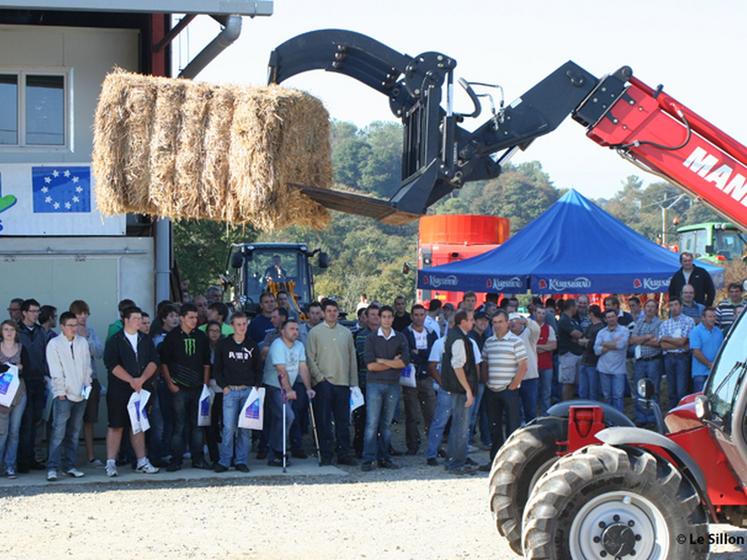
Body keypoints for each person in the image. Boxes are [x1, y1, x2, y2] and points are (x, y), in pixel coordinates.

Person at [102, 306, 160, 477]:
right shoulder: (115, 340)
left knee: (138, 424)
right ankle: (111, 462)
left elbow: (153, 361)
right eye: (135, 318)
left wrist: (141, 379)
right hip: (119, 390)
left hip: (141, 389)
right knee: (116, 425)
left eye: (140, 318)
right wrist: (131, 380)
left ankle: (142, 461)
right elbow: (112, 364)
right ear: (125, 320)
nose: (139, 322)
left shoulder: (146, 340)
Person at [425, 313, 482, 468]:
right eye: (470, 320)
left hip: (454, 387)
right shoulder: (455, 340)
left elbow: (473, 366)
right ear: (461, 322)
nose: (473, 322)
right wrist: (468, 388)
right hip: (455, 388)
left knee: (459, 424)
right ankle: (445, 456)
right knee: (454, 424)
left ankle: (456, 456)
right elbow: (456, 366)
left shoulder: (464, 340)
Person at [160, 303, 212, 471]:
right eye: (190, 317)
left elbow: (206, 363)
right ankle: (176, 459)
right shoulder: (172, 337)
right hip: (179, 387)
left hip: (197, 387)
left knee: (198, 425)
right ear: (182, 318)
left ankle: (198, 458)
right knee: (179, 425)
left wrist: (204, 385)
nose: (194, 320)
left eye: (196, 317)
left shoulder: (201, 336)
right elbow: (164, 363)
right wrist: (169, 383)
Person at [305, 300, 358, 466]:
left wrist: (353, 382)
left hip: (343, 383)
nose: (332, 313)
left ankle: (344, 453)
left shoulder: (346, 333)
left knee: (343, 421)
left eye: (335, 310)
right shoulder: (315, 333)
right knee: (324, 421)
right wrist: (319, 378)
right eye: (329, 311)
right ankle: (326, 454)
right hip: (323, 383)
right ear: (323, 313)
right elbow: (309, 358)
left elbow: (352, 359)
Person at [360, 306, 409, 471]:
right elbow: (371, 366)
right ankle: (368, 459)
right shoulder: (371, 338)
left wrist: (382, 360)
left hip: (393, 385)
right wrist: (391, 362)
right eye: (384, 316)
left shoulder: (400, 338)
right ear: (379, 318)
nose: (387, 319)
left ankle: (384, 458)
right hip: (374, 384)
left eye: (390, 316)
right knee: (372, 423)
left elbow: (403, 363)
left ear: (393, 318)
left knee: (386, 424)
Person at [45, 312, 92, 481]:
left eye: (75, 325)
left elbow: (87, 366)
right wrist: (60, 391)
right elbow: (55, 370)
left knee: (74, 432)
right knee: (58, 431)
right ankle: (53, 467)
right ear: (62, 327)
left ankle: (69, 465)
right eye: (70, 325)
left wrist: (87, 386)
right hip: (64, 395)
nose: (74, 328)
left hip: (81, 394)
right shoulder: (54, 344)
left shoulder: (82, 342)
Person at [213, 312, 261, 472]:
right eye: (238, 324)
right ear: (232, 325)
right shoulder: (224, 344)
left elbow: (258, 368)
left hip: (248, 391)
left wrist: (256, 387)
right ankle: (225, 461)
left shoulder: (252, 345)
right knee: (228, 428)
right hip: (230, 391)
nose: (242, 327)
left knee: (245, 430)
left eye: (244, 324)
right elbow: (217, 369)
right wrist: (224, 386)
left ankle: (241, 461)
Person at [264, 319, 315, 467]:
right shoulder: (277, 345)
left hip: (288, 387)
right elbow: (281, 370)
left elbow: (303, 368)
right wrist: (289, 390)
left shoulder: (299, 345)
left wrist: (308, 388)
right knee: (287, 416)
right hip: (275, 386)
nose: (295, 332)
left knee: (281, 419)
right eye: (292, 329)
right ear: (283, 332)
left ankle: (274, 453)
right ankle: (279, 450)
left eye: (297, 329)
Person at [480, 310, 528, 470]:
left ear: (507, 323)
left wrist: (514, 384)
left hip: (509, 390)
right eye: (494, 322)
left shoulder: (516, 341)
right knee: (494, 427)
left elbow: (523, 365)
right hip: (492, 389)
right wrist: (486, 380)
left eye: (500, 322)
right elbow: (484, 362)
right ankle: (495, 460)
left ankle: (512, 462)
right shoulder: (489, 342)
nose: (497, 325)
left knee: (512, 426)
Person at [69, 300, 105, 467]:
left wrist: (86, 339)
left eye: (85, 313)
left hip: (91, 382)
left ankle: (91, 456)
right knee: (72, 421)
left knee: (89, 420)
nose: (83, 317)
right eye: (79, 313)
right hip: (72, 383)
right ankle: (70, 458)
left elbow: (99, 352)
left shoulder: (91, 332)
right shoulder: (66, 333)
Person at [401, 305, 438, 456]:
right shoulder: (405, 333)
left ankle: (433, 446)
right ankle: (412, 446)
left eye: (421, 314)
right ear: (411, 316)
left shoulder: (431, 332)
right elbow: (407, 354)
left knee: (431, 413)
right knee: (412, 414)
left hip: (427, 377)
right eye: (416, 314)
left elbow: (434, 354)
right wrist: (421, 354)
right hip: (411, 377)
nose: (418, 317)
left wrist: (419, 353)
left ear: (425, 316)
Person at [16, 298, 48, 473]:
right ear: (24, 313)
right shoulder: (16, 330)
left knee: (37, 420)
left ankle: (33, 457)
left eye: (38, 311)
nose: (36, 314)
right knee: (24, 422)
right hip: (22, 381)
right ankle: (22, 461)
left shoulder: (40, 332)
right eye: (33, 311)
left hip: (38, 380)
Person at [0, 320, 29, 479]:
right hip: (1, 396)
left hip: (19, 394)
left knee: (14, 431)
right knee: (1, 432)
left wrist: (20, 369)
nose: (9, 332)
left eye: (11, 329)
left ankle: (10, 465)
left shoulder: (21, 349)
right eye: (5, 329)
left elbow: (29, 368)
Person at [630, 300, 663, 426]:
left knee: (653, 389)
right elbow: (632, 339)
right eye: (647, 306)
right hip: (640, 362)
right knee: (640, 389)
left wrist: (641, 340)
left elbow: (658, 343)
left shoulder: (660, 324)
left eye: (652, 307)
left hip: (653, 361)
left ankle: (653, 417)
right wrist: (646, 337)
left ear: (656, 309)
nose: (649, 309)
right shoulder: (639, 322)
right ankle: (641, 417)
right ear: (644, 308)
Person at [659, 298, 696, 407]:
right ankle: (672, 414)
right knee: (671, 391)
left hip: (682, 358)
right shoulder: (665, 324)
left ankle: (682, 414)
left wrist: (666, 338)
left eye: (676, 304)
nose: (673, 308)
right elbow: (662, 345)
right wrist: (678, 342)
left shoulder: (689, 321)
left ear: (681, 306)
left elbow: (683, 341)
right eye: (671, 305)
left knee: (681, 390)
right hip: (668, 358)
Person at [353, 304, 378, 457]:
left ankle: (380, 447)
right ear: (366, 317)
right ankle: (360, 448)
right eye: (372, 314)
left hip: (382, 381)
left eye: (378, 314)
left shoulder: (386, 334)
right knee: (363, 418)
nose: (376, 317)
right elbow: (366, 360)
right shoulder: (362, 335)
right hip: (365, 382)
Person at [594, 309, 630, 413]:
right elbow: (596, 350)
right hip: (603, 369)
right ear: (605, 319)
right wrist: (612, 344)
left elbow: (621, 345)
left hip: (618, 370)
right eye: (608, 317)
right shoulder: (601, 332)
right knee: (606, 396)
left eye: (613, 316)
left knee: (618, 397)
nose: (611, 319)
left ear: (617, 317)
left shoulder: (624, 330)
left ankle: (619, 422)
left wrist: (604, 343)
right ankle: (608, 421)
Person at [508, 312, 540, 423]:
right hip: (513, 378)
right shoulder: (506, 336)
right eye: (510, 322)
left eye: (515, 322)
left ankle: (532, 430)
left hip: (529, 377)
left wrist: (527, 321)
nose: (513, 324)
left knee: (530, 409)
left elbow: (536, 329)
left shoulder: (529, 334)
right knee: (514, 410)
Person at [467, 310, 491, 450]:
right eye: (481, 320)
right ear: (475, 321)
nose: (483, 323)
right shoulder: (471, 337)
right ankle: (467, 442)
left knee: (482, 412)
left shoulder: (485, 337)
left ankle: (484, 439)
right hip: (474, 380)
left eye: (486, 321)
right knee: (472, 412)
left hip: (483, 379)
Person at [557, 299, 586, 402]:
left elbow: (579, 334)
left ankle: (570, 404)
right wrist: (580, 337)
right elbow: (577, 334)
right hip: (568, 355)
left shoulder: (573, 319)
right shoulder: (564, 319)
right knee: (568, 382)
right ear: (571, 307)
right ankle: (565, 405)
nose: (577, 308)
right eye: (576, 306)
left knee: (573, 383)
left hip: (576, 353)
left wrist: (579, 338)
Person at [689, 307, 724, 392]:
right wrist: (709, 364)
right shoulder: (695, 331)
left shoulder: (718, 332)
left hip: (715, 371)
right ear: (703, 318)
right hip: (700, 372)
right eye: (710, 317)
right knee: (700, 399)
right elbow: (696, 352)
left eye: (714, 316)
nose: (713, 319)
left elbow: (721, 350)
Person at [204, 320, 224, 464]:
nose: (214, 333)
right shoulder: (202, 347)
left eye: (217, 330)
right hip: (207, 388)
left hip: (223, 388)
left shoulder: (224, 347)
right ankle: (214, 457)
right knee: (209, 424)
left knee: (225, 424)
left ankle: (226, 456)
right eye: (212, 330)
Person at [578, 306, 605, 401]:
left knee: (593, 392)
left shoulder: (601, 328)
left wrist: (586, 342)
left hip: (593, 363)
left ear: (591, 314)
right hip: (584, 361)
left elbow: (593, 345)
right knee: (582, 391)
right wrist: (586, 342)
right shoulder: (590, 326)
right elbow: (581, 340)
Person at [535, 306, 557, 415]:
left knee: (546, 393)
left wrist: (537, 346)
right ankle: (532, 417)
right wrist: (545, 346)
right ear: (535, 313)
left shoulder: (549, 328)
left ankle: (545, 416)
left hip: (547, 365)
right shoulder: (529, 328)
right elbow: (528, 346)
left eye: (543, 313)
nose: (541, 315)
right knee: (533, 393)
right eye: (539, 313)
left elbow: (553, 346)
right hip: (533, 366)